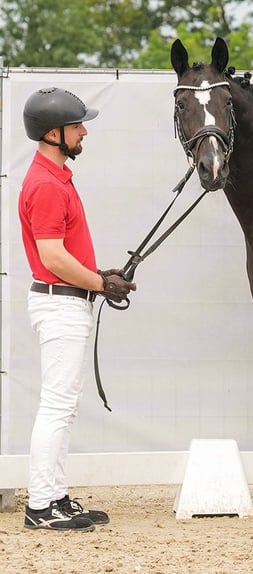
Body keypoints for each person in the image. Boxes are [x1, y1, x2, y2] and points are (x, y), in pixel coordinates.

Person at [18, 87, 136, 532]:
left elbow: (64, 254)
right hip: (61, 305)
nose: (84, 131)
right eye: (77, 125)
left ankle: (55, 496)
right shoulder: (46, 185)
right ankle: (41, 506)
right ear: (53, 134)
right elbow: (52, 257)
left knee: (63, 406)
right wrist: (101, 283)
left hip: (68, 301)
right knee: (57, 405)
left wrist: (96, 275)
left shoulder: (57, 177)